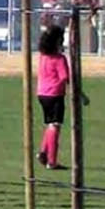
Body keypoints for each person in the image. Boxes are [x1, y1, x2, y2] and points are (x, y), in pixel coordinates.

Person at [35, 23, 70, 169]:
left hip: (42, 93)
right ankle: (52, 160)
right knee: (55, 126)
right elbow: (65, 77)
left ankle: (43, 152)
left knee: (50, 124)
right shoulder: (59, 59)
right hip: (55, 94)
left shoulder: (43, 57)